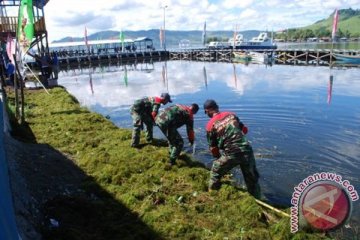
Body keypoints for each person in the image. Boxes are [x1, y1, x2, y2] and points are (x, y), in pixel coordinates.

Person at [203, 99, 261, 199]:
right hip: (247, 150)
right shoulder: (231, 114)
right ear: (217, 107)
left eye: (205, 112)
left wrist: (218, 159)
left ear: (207, 111)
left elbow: (213, 148)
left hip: (231, 153)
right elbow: (245, 130)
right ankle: (258, 200)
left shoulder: (209, 125)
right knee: (252, 181)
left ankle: (212, 195)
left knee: (215, 172)